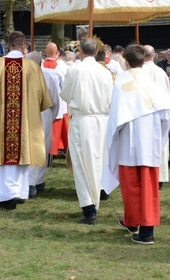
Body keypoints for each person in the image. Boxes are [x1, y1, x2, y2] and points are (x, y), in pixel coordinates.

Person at [101, 45, 170, 245]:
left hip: (129, 142)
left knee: (131, 186)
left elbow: (116, 117)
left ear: (125, 61)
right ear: (143, 60)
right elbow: (165, 116)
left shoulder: (121, 83)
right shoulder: (153, 83)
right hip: (149, 141)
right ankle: (132, 221)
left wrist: (112, 140)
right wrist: (159, 138)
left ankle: (146, 231)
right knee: (147, 186)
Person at [0, 31, 52, 209]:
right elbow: (43, 98)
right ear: (23, 46)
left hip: (0, 123)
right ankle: (18, 192)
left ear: (8, 44)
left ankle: (0, 195)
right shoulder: (32, 67)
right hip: (24, 123)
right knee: (21, 153)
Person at [60, 37, 113, 223]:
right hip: (102, 120)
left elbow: (65, 94)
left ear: (80, 51)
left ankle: (89, 209)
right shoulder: (105, 72)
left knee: (81, 163)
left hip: (83, 119)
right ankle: (97, 195)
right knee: (99, 160)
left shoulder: (75, 69)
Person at [25, 51, 61, 197]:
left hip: (41, 113)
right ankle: (32, 182)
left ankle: (37, 180)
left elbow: (54, 101)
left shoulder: (47, 76)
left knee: (41, 147)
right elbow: (55, 102)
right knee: (34, 147)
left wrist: (49, 116)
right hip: (39, 114)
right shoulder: (46, 76)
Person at [141, 45, 170, 188]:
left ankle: (145, 175)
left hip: (144, 114)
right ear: (154, 56)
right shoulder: (161, 72)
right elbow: (168, 93)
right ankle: (160, 177)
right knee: (160, 143)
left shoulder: (138, 72)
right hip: (160, 113)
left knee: (145, 145)